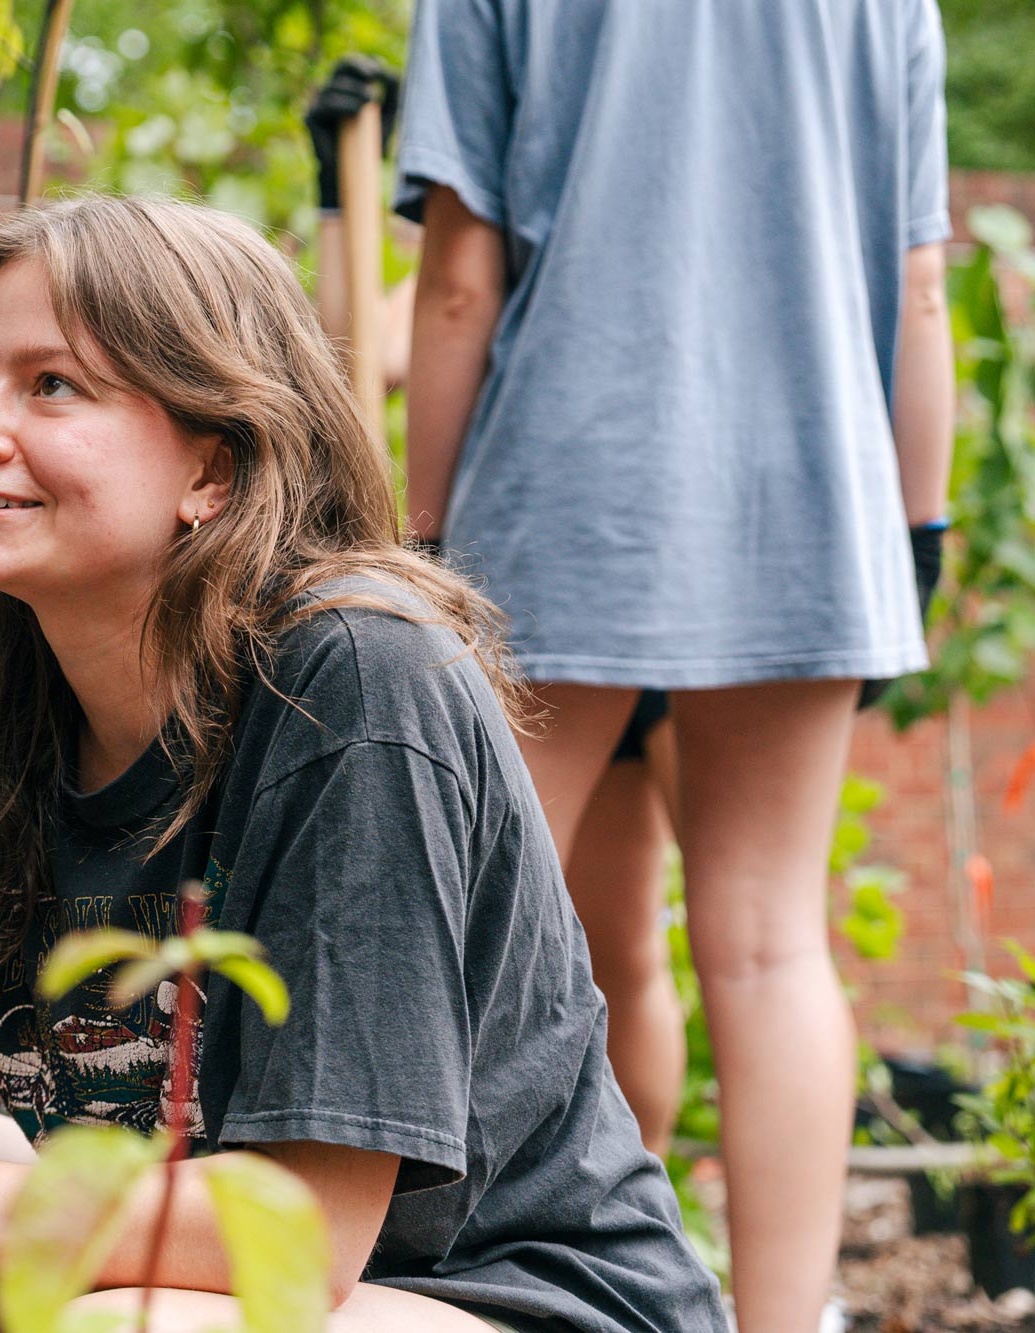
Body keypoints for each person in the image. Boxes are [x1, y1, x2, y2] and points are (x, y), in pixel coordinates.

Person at [0, 196, 727, 1332]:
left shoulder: (353, 685)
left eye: (52, 385)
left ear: (213, 466)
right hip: (212, 1282)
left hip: (508, 1297)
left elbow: (295, 1235)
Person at [396, 3, 955, 1328]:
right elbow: (920, 281)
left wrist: (421, 534)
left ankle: (566, 1291)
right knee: (766, 945)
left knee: (519, 948)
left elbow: (462, 271)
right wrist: (913, 530)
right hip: (805, 496)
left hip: (567, 495)